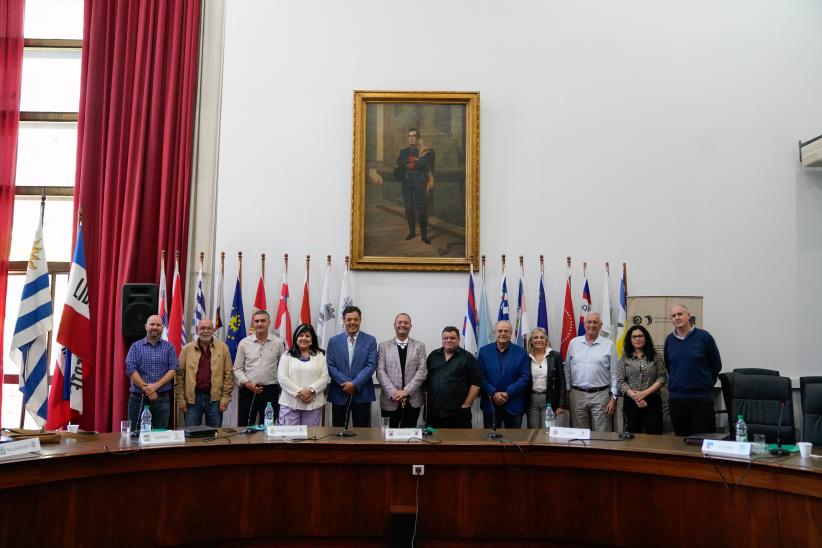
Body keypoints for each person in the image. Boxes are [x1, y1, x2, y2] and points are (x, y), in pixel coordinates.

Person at [664, 304, 722, 436]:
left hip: (701, 399)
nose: (677, 318)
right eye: (673, 316)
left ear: (688, 316)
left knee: (705, 441)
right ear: (671, 319)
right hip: (677, 400)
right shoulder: (669, 340)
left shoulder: (704, 337)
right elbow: (669, 366)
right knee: (681, 442)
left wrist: (705, 383)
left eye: (680, 314)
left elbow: (716, 365)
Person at [565, 312, 618, 432]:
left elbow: (615, 374)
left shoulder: (609, 345)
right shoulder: (574, 343)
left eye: (595, 322)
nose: (592, 325)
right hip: (577, 395)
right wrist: (568, 393)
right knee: (579, 435)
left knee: (602, 433)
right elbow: (567, 369)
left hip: (601, 395)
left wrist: (613, 398)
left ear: (600, 325)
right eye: (589, 322)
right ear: (584, 324)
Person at [175, 318, 234, 428]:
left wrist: (226, 398)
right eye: (202, 328)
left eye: (209, 328)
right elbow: (179, 376)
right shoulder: (187, 349)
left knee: (215, 436)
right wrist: (181, 399)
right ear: (197, 330)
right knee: (191, 435)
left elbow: (229, 375)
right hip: (192, 399)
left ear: (213, 330)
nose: (205, 331)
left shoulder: (223, 348)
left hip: (215, 399)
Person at [326, 305, 378, 427]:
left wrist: (355, 384)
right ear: (343, 320)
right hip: (339, 392)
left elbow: (371, 365)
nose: (352, 322)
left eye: (356, 319)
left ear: (360, 320)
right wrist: (347, 384)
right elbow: (331, 366)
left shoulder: (370, 340)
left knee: (362, 433)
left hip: (362, 393)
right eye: (349, 319)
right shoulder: (334, 341)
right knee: (338, 433)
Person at [125, 314, 178, 431]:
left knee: (160, 435)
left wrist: (155, 387)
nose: (155, 327)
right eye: (152, 324)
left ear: (162, 327)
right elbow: (130, 369)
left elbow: (173, 369)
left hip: (162, 400)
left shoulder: (169, 347)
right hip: (139, 399)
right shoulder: (135, 347)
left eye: (158, 325)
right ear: (146, 326)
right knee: (135, 434)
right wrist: (148, 390)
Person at [233, 310, 286, 427]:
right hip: (248, 390)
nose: (259, 324)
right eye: (256, 321)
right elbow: (237, 368)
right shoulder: (244, 343)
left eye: (263, 321)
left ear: (269, 323)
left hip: (270, 391)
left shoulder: (278, 343)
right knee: (245, 426)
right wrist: (248, 384)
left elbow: (283, 368)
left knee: (268, 426)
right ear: (253, 323)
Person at [424, 326, 483, 428]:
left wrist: (467, 404)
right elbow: (426, 378)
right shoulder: (433, 355)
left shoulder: (468, 358)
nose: (448, 340)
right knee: (433, 440)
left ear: (459, 339)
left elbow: (476, 383)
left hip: (458, 412)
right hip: (434, 412)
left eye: (452, 338)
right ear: (442, 340)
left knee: (458, 442)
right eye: (445, 338)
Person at [376, 313, 428, 428]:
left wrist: (406, 391)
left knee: (409, 436)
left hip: (412, 400)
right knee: (387, 435)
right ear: (394, 325)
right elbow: (380, 372)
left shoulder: (420, 346)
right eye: (399, 322)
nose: (402, 325)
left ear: (410, 326)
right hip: (390, 400)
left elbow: (422, 371)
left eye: (406, 322)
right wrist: (394, 393)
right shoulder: (383, 346)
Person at [477, 320, 531, 429]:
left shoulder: (521, 352)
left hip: (514, 403)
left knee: (514, 440)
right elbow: (480, 376)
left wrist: (507, 393)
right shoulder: (483, 351)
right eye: (500, 331)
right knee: (490, 442)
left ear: (511, 334)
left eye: (506, 331)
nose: (503, 334)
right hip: (490, 404)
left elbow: (525, 377)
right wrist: (493, 393)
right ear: (494, 333)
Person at [616, 324, 667, 435]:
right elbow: (620, 380)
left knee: (654, 436)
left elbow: (662, 377)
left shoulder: (655, 356)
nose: (637, 338)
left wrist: (644, 393)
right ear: (630, 340)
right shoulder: (624, 358)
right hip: (631, 402)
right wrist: (635, 397)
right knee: (633, 436)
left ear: (646, 338)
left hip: (652, 400)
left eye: (640, 336)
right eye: (634, 336)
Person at [277, 323, 331, 426]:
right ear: (296, 338)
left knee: (310, 438)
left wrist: (311, 390)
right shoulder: (287, 354)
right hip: (290, 403)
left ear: (312, 339)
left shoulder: (321, 355)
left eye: (307, 336)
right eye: (301, 335)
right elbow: (282, 378)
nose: (304, 338)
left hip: (313, 403)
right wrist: (300, 392)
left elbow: (324, 378)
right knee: (289, 438)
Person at [394, 128, 435, 244]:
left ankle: (424, 236)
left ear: (418, 138)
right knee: (408, 207)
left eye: (414, 136)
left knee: (422, 208)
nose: (411, 138)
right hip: (406, 181)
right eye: (409, 136)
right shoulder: (404, 151)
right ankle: (411, 232)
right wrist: (414, 160)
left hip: (419, 180)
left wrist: (412, 162)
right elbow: (399, 161)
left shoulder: (424, 150)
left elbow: (424, 162)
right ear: (408, 138)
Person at [525, 327, 567, 429]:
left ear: (546, 340)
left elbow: (561, 381)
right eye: (535, 337)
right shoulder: (526, 357)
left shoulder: (555, 356)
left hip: (549, 399)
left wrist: (561, 404)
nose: (538, 340)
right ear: (531, 341)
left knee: (547, 430)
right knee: (533, 431)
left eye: (542, 337)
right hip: (531, 399)